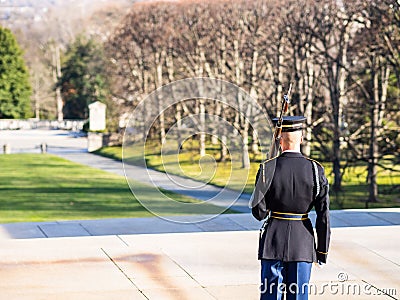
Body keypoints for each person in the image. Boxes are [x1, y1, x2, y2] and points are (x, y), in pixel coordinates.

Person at [251, 116, 330, 300]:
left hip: (273, 242)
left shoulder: (267, 169)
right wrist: (322, 251)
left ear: (279, 140)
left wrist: (263, 183)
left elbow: (259, 213)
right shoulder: (315, 170)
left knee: (271, 297)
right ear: (301, 139)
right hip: (302, 243)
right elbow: (323, 215)